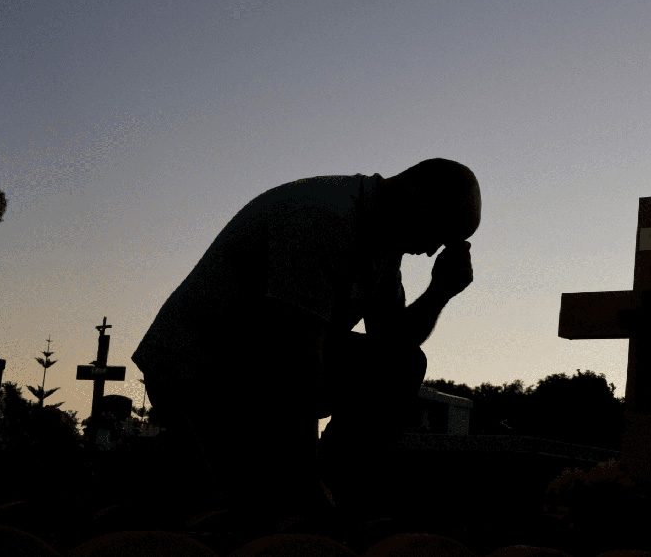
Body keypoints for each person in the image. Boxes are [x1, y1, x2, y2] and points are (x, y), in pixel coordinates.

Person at [133, 158, 480, 526]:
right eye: (440, 232)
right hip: (198, 373)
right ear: (417, 197)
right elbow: (296, 357)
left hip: (256, 365)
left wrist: (439, 292)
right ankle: (304, 495)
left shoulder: (382, 244)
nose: (431, 251)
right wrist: (304, 483)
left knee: (402, 364)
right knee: (238, 510)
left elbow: (392, 343)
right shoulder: (324, 217)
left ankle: (335, 490)